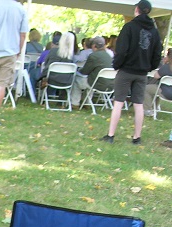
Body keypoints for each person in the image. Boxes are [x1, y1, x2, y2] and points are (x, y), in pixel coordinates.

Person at [101, 0, 162, 145]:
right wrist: (150, 67)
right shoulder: (154, 31)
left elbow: (121, 51)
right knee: (138, 104)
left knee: (118, 102)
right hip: (142, 72)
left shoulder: (129, 27)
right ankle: (137, 137)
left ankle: (110, 135)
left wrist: (117, 65)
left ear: (137, 10)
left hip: (126, 70)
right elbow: (157, 53)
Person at [71, 36, 113, 107]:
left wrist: (78, 70)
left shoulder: (93, 56)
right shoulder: (108, 56)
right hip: (109, 85)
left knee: (77, 80)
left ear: (93, 46)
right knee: (90, 79)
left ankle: (75, 104)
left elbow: (85, 71)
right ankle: (87, 103)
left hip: (96, 84)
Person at [144, 48, 172, 116]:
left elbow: (156, 76)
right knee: (154, 89)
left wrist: (164, 64)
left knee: (146, 89)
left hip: (166, 92)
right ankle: (155, 107)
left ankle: (147, 109)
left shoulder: (166, 67)